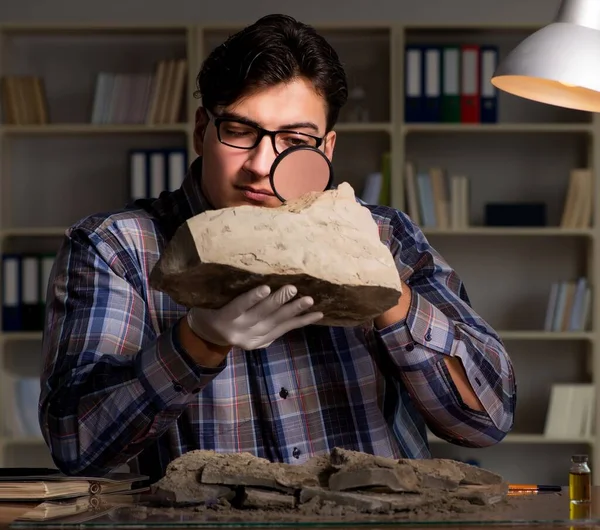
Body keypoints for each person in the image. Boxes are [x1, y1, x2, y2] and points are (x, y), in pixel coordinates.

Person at [39, 14, 516, 482]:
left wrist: (388, 294)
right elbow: (77, 446)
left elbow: (486, 420)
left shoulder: (387, 234)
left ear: (326, 149)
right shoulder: (116, 247)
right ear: (202, 130)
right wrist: (196, 344)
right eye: (241, 132)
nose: (262, 165)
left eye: (294, 140)